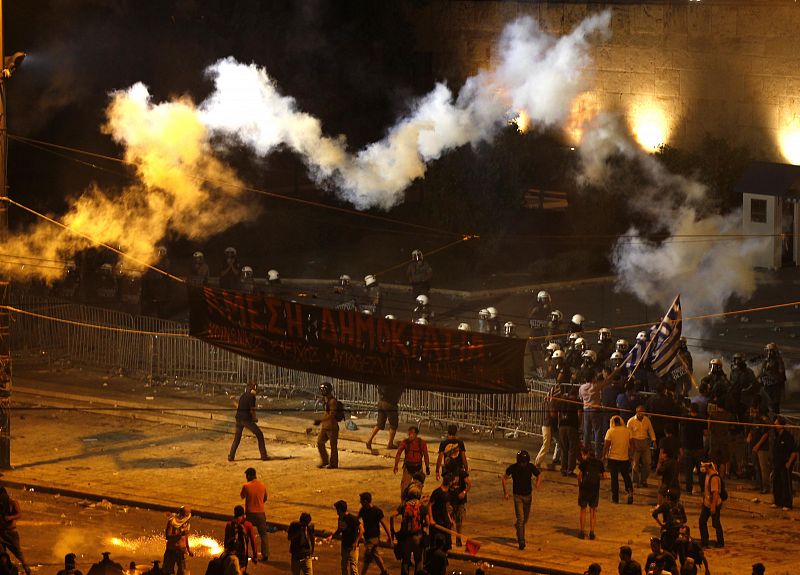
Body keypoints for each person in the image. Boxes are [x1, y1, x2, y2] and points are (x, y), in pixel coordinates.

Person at [502, 450, 542, 550]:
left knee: (525, 519)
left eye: (525, 462)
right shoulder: (513, 468)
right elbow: (504, 478)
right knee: (521, 519)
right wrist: (506, 492)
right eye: (522, 462)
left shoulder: (531, 467)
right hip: (517, 496)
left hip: (528, 496)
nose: (523, 465)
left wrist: (537, 483)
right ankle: (521, 541)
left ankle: (519, 528)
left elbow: (539, 475)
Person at [228, 382, 269, 462]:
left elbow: (239, 407)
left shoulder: (243, 395)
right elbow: (252, 410)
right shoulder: (252, 397)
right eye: (255, 389)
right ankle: (263, 455)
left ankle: (231, 456)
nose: (256, 391)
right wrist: (254, 418)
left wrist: (233, 401)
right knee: (259, 434)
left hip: (238, 418)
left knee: (237, 438)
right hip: (246, 419)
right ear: (253, 389)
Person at [390, 492, 425, 575]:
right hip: (418, 537)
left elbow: (392, 516)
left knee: (405, 561)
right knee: (418, 560)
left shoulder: (403, 506)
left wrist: (392, 531)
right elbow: (427, 522)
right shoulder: (421, 506)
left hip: (406, 538)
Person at [603, 415, 634, 504]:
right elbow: (632, 444)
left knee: (614, 478)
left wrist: (603, 456)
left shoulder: (610, 431)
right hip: (624, 458)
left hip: (613, 458)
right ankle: (630, 491)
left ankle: (615, 497)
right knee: (626, 476)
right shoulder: (627, 431)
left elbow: (606, 445)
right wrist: (631, 455)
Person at [240, 467, 269, 561]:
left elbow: (242, 496)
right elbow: (265, 499)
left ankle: (245, 552)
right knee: (263, 535)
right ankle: (265, 554)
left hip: (249, 513)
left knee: (246, 535)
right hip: (261, 513)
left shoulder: (246, 486)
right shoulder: (262, 485)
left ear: (248, 476)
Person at [357, 493, 391, 575]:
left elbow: (384, 524)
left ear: (365, 501)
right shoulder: (363, 510)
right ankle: (384, 572)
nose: (360, 502)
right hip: (367, 538)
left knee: (367, 558)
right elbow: (356, 520)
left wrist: (390, 537)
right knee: (375, 555)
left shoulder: (377, 511)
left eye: (361, 500)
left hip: (374, 538)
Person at [326, 500, 363, 575]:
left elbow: (362, 529)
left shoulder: (352, 518)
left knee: (353, 568)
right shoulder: (340, 518)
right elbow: (340, 529)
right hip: (345, 545)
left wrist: (356, 542)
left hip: (353, 546)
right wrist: (332, 536)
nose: (336, 511)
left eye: (337, 509)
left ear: (340, 509)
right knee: (344, 566)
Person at [576, 445, 604, 540]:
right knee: (593, 511)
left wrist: (580, 484)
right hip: (594, 489)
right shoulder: (599, 463)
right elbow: (604, 476)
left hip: (585, 488)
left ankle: (581, 532)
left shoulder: (584, 463)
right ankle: (592, 533)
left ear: (585, 454)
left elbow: (579, 475)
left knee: (583, 510)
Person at [394, 426, 430, 498]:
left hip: (418, 467)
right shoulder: (405, 442)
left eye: (412, 433)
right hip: (408, 467)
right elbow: (398, 453)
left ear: (416, 434)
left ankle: (416, 504)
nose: (410, 435)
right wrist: (396, 465)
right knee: (404, 487)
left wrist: (427, 467)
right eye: (409, 433)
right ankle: (404, 504)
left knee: (418, 487)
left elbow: (426, 455)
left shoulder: (421, 443)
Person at [0, 487, 30, 575]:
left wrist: (10, 517)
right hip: (1, 532)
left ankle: (27, 569)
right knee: (2, 554)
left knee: (18, 553)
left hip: (11, 533)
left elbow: (19, 514)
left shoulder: (12, 502)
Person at [680, 403, 707, 496]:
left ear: (690, 409)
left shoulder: (685, 419)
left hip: (688, 447)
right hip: (699, 447)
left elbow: (682, 433)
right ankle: (703, 489)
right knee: (701, 470)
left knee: (688, 471)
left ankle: (688, 490)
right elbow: (705, 433)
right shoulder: (702, 419)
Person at [771, 415, 797, 510]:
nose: (774, 425)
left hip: (785, 463)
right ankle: (778, 502)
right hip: (777, 463)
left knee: (786, 483)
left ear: (781, 425)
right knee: (776, 482)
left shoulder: (788, 436)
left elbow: (794, 452)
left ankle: (787, 503)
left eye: (776, 423)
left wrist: (789, 463)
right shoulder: (777, 436)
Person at [366, 385, 403, 451]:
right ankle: (390, 443)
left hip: (381, 402)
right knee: (394, 425)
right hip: (390, 404)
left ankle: (369, 439)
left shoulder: (384, 380)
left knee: (379, 424)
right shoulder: (395, 381)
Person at [627, 405, 656, 488]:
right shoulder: (631, 421)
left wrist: (654, 441)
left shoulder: (647, 420)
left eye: (643, 412)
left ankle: (644, 480)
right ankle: (635, 481)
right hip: (634, 442)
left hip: (645, 442)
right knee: (635, 464)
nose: (641, 414)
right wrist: (631, 447)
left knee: (647, 463)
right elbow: (629, 435)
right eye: (640, 412)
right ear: (636, 411)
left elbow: (650, 430)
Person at [652, 489, 687, 555]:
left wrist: (661, 524)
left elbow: (654, 514)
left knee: (665, 551)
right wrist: (679, 523)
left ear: (668, 497)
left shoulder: (666, 505)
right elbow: (685, 519)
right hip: (678, 531)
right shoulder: (680, 506)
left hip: (668, 530)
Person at [224, 505, 258, 572]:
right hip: (242, 556)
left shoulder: (229, 524)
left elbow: (226, 541)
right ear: (243, 514)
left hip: (231, 555)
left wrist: (225, 553)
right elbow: (253, 542)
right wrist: (255, 556)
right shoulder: (248, 525)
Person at [698, 461, 724, 548]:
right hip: (707, 503)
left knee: (716, 523)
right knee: (702, 521)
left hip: (714, 504)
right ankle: (704, 542)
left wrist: (713, 507)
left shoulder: (714, 478)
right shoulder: (707, 475)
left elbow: (715, 493)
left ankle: (720, 542)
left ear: (708, 466)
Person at [315, 381, 340, 469]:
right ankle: (325, 460)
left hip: (332, 427)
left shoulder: (332, 401)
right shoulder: (326, 400)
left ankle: (333, 463)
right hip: (325, 426)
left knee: (333, 446)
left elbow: (332, 414)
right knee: (319, 442)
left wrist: (321, 420)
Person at [557, 384, 580, 477]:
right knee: (571, 449)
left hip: (562, 426)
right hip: (572, 426)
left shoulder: (563, 401)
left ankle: (563, 469)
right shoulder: (577, 402)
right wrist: (579, 424)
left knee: (564, 448)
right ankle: (570, 470)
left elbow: (559, 414)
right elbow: (580, 414)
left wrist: (559, 424)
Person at [448, 456, 471, 547]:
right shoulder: (448, 474)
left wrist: (464, 492)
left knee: (459, 521)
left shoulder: (461, 473)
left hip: (460, 501)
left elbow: (469, 484)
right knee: (449, 520)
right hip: (450, 500)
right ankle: (448, 539)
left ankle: (458, 539)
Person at [748, 405, 771, 495]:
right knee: (757, 467)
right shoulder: (754, 420)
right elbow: (752, 429)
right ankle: (759, 485)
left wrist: (757, 445)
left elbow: (765, 434)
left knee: (763, 468)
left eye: (753, 411)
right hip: (754, 447)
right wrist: (749, 435)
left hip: (762, 448)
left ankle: (766, 487)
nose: (751, 414)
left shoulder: (763, 420)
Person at [162, 506, 193, 575]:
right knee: (167, 571)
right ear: (181, 513)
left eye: (188, 514)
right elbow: (168, 536)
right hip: (171, 550)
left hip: (182, 551)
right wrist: (179, 534)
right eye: (185, 514)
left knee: (183, 572)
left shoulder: (187, 521)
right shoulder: (172, 522)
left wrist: (188, 549)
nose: (187, 516)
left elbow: (186, 537)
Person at [427, 475, 454, 551]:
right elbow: (430, 505)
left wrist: (450, 519)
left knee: (447, 543)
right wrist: (431, 519)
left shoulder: (448, 493)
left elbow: (446, 507)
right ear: (449, 482)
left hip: (445, 521)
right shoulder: (437, 492)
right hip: (437, 521)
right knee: (435, 543)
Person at [759, 342, 786, 414]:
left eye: (771, 351)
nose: (769, 353)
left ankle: (775, 420)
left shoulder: (779, 360)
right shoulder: (766, 361)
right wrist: (761, 381)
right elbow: (762, 372)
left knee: (775, 405)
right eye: (768, 351)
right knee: (764, 404)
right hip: (766, 385)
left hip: (775, 386)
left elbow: (781, 373)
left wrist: (770, 371)